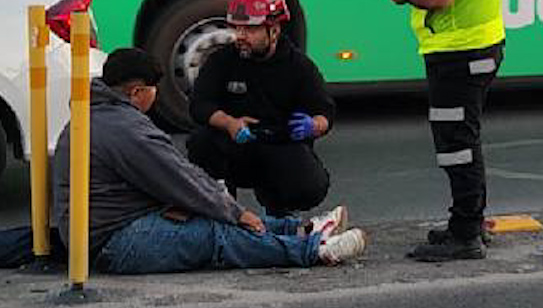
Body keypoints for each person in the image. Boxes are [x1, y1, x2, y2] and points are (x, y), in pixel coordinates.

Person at [53, 48, 365, 274]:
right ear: (137, 91)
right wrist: (235, 212)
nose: (156, 97)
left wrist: (224, 209)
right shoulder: (126, 129)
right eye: (153, 91)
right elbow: (179, 179)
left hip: (108, 230)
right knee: (215, 233)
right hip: (114, 241)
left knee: (209, 215)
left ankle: (301, 229)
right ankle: (313, 251)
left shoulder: (95, 114)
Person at [379, 0, 506, 261]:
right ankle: (467, 222)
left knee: (456, 144)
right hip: (478, 45)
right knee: (465, 138)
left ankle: (466, 233)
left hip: (458, 51)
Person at [186, 0, 336, 216]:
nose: (240, 36)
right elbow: (199, 105)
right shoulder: (221, 61)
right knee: (201, 141)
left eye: (250, 30)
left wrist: (313, 126)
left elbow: (325, 111)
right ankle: (220, 206)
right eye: (237, 29)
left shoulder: (299, 67)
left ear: (273, 31)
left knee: (310, 186)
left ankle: (278, 207)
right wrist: (230, 123)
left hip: (279, 145)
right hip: (235, 145)